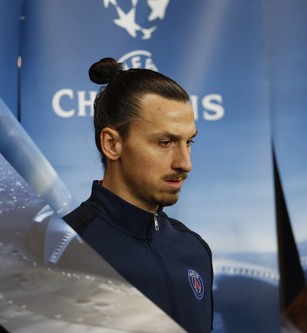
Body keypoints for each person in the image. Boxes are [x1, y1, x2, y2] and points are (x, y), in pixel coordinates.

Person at [64, 58, 213, 332]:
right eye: (165, 142)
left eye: (188, 142)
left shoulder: (194, 249)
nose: (185, 163)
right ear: (112, 144)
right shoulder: (63, 250)